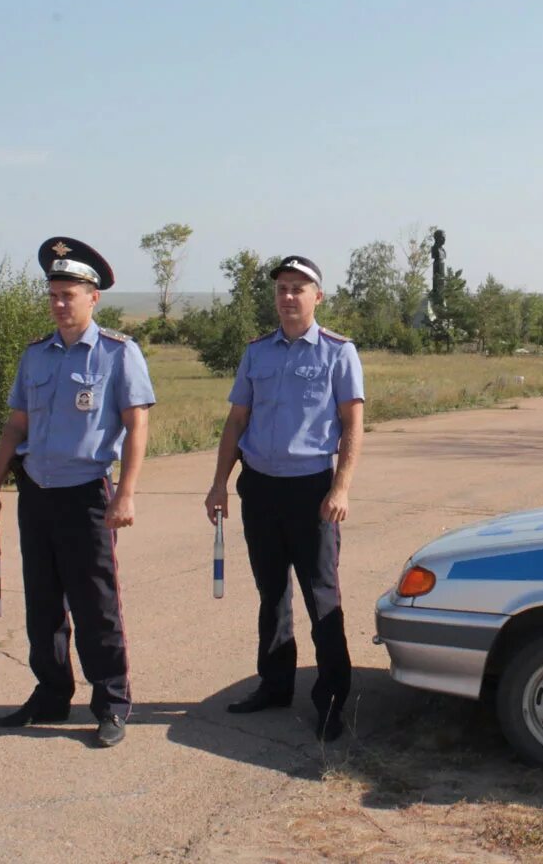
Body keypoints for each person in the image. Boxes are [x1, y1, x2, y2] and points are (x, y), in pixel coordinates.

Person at [0, 236, 155, 748]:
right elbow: (15, 427)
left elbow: (136, 425)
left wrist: (126, 493)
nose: (59, 304)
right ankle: (52, 694)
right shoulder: (36, 356)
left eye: (69, 294)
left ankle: (111, 703)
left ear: (93, 296)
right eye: (53, 294)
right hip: (37, 492)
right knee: (41, 602)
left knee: (95, 603)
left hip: (87, 495)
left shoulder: (118, 353)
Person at [205, 255, 364, 741]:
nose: (288, 297)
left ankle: (332, 700)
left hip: (311, 490)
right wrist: (218, 482)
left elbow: (353, 422)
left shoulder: (338, 352)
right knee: (271, 594)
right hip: (260, 487)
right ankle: (274, 686)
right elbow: (237, 420)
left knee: (321, 598)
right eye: (281, 289)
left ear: (317, 296)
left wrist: (341, 487)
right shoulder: (258, 352)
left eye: (299, 288)